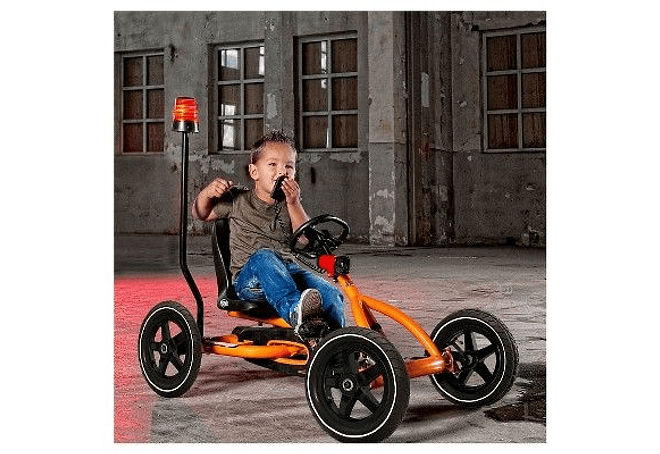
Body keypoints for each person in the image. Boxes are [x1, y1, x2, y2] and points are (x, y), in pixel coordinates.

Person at [192, 130, 345, 332]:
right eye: (272, 164)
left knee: (330, 293)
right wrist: (207, 193)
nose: (282, 171)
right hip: (250, 281)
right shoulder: (238, 200)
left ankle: (336, 341)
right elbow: (201, 213)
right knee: (265, 256)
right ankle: (295, 312)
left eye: (288, 166)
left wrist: (294, 202)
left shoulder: (289, 205)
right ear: (254, 172)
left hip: (287, 273)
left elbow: (305, 239)